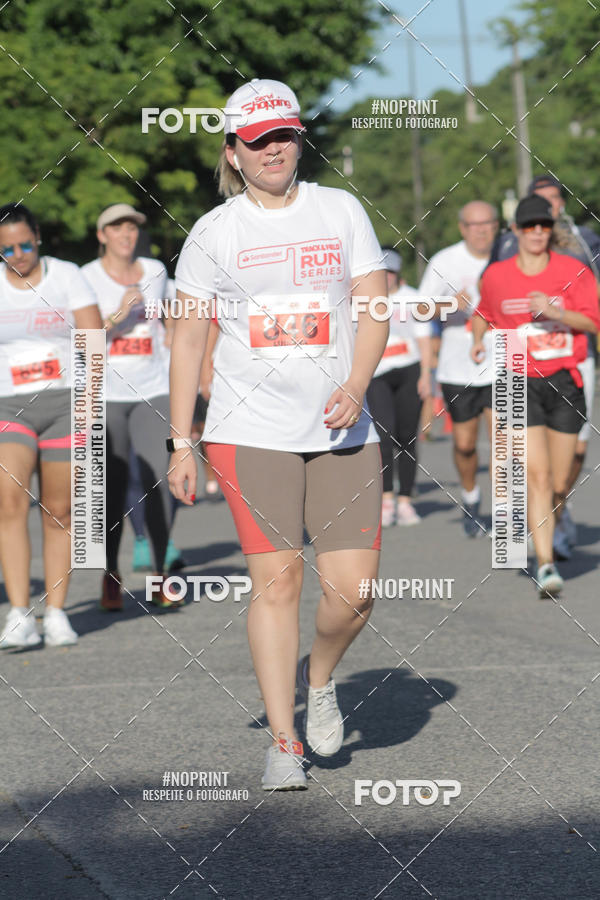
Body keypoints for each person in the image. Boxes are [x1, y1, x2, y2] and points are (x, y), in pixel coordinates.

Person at [168, 79, 388, 790]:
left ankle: (318, 678)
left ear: (299, 139)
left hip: (343, 425)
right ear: (233, 150)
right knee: (278, 581)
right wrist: (182, 441)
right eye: (257, 140)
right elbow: (189, 337)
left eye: (284, 135)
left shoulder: (340, 209)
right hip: (248, 427)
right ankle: (285, 741)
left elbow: (375, 307)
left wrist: (355, 382)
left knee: (354, 594)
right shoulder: (214, 233)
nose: (273, 150)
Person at [472, 195, 599, 596]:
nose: (537, 233)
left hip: (564, 379)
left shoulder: (574, 271)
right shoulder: (496, 275)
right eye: (529, 226)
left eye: (543, 225)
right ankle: (545, 564)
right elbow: (485, 313)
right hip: (517, 379)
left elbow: (593, 321)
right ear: (516, 231)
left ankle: (552, 522)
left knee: (560, 480)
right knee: (537, 475)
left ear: (551, 229)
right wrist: (478, 340)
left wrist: (558, 313)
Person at [0, 203, 102, 648]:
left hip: (66, 404)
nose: (18, 254)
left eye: (24, 244)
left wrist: (89, 404)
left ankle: (57, 612)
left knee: (60, 510)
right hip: (9, 406)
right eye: (6, 249)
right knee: (8, 504)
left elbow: (93, 340)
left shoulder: (66, 275)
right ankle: (20, 613)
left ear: (38, 236)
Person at [82, 204, 180, 610]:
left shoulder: (156, 270)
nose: (126, 234)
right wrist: (117, 317)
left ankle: (160, 575)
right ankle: (110, 574)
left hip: (153, 389)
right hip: (105, 394)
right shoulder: (85, 278)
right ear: (102, 234)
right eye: (116, 228)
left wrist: (174, 338)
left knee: (160, 480)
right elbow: (81, 340)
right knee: (112, 487)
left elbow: (172, 311)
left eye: (132, 228)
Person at [418, 201, 499, 536]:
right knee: (465, 444)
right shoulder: (445, 261)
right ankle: (471, 497)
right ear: (462, 228)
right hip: (457, 369)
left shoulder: (510, 256)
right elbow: (419, 309)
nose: (481, 230)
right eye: (474, 225)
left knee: (505, 443)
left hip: (504, 362)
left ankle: (506, 512)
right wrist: (451, 304)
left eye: (488, 223)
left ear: (497, 225)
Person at [366, 248, 431, 526]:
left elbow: (424, 338)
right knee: (382, 435)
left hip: (409, 370)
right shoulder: (362, 300)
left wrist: (427, 375)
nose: (386, 278)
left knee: (407, 437)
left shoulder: (412, 298)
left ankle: (405, 500)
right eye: (380, 273)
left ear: (397, 274)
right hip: (377, 373)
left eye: (390, 272)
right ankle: (386, 499)